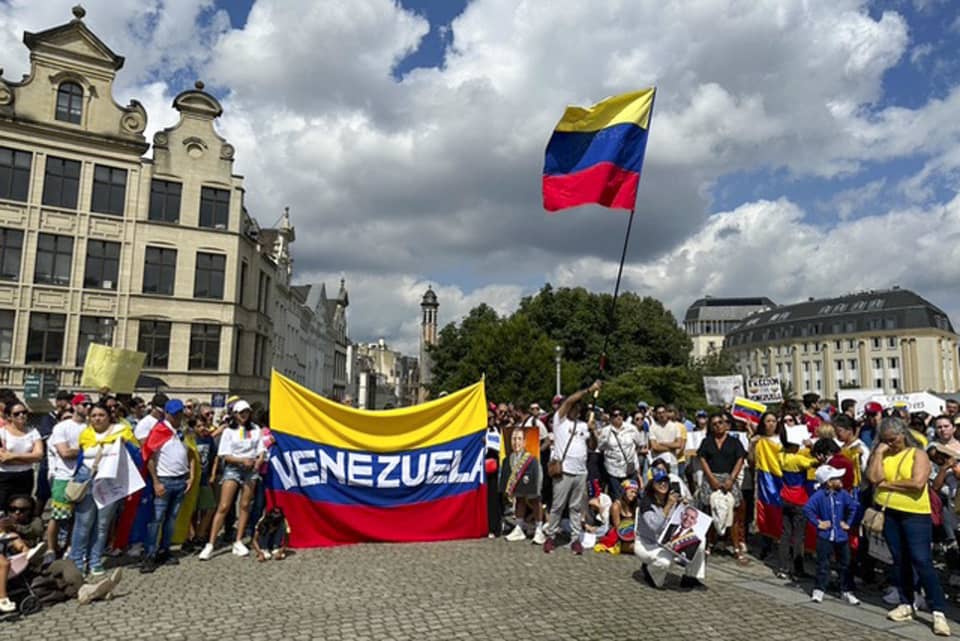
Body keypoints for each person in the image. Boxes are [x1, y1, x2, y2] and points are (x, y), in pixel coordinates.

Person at [868, 417, 950, 636]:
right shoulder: (884, 454)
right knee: (899, 559)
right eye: (885, 440)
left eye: (893, 439)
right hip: (890, 511)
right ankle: (906, 601)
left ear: (903, 434)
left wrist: (888, 484)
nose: (890, 444)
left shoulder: (917, 454)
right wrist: (878, 453)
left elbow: (917, 483)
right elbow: (874, 478)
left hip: (915, 513)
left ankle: (938, 610)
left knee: (921, 560)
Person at [69, 402, 139, 577]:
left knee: (102, 524)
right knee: (84, 522)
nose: (97, 419)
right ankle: (77, 560)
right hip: (87, 478)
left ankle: (95, 560)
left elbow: (135, 454)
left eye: (101, 415)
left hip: (109, 482)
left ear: (109, 417)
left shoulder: (122, 431)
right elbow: (81, 456)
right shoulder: (86, 434)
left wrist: (126, 444)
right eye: (93, 416)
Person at [199, 400, 266, 560]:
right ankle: (210, 544)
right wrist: (242, 460)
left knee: (244, 505)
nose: (244, 415)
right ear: (235, 414)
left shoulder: (255, 429)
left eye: (246, 412)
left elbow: (261, 449)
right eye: (241, 412)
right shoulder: (229, 431)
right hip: (234, 468)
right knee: (224, 506)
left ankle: (238, 540)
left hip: (250, 470)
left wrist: (259, 460)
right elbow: (225, 455)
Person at [542, 381, 600, 555]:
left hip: (580, 471)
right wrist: (589, 390)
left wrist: (593, 431)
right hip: (564, 470)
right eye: (575, 406)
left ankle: (575, 539)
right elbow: (568, 401)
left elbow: (592, 445)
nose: (576, 409)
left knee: (575, 507)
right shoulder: (559, 421)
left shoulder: (583, 425)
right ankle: (551, 536)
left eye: (578, 407)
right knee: (558, 506)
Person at [140, 400, 196, 573]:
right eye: (175, 414)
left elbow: (190, 454)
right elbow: (149, 456)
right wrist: (156, 481)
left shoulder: (182, 432)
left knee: (171, 519)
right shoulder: (159, 430)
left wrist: (190, 476)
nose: (178, 417)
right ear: (167, 414)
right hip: (164, 479)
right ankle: (150, 554)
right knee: (156, 519)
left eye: (180, 414)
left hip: (181, 479)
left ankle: (165, 549)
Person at [634, 468, 705, 589]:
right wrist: (668, 505)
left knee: (700, 540)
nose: (663, 484)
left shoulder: (673, 498)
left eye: (665, 481)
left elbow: (688, 520)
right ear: (652, 484)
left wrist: (686, 506)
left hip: (668, 541)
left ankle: (690, 577)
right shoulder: (646, 503)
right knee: (665, 562)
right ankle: (649, 571)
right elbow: (655, 526)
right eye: (659, 481)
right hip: (648, 543)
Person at [804, 465, 860, 605]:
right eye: (837, 478)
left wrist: (848, 523)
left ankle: (846, 590)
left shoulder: (843, 494)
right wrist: (818, 523)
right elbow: (808, 509)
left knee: (845, 564)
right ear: (828, 482)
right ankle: (819, 589)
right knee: (823, 563)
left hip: (841, 536)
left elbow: (853, 507)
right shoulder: (819, 495)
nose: (841, 480)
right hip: (825, 536)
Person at [697, 412, 748, 564]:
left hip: (729, 478)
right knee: (710, 511)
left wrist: (731, 479)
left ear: (726, 425)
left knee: (733, 512)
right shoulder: (707, 442)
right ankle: (709, 544)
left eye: (720, 423)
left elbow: (740, 459)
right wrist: (711, 479)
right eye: (714, 424)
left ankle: (736, 546)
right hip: (711, 478)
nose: (718, 426)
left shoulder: (734, 442)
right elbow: (703, 459)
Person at [45, 395, 87, 562]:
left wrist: (77, 451)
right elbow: (65, 453)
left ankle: (70, 547)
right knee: (58, 515)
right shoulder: (62, 427)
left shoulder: (90, 428)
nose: (87, 407)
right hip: (63, 476)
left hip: (82, 476)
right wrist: (85, 451)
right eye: (84, 404)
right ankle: (50, 549)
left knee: (76, 517)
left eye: (89, 405)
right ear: (75, 406)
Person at [501, 428, 543, 543]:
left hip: (531, 481)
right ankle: (519, 527)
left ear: (524, 442)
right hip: (519, 486)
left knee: (535, 500)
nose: (516, 442)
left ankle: (539, 529)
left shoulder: (532, 458)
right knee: (519, 500)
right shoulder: (508, 459)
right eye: (514, 439)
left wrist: (538, 485)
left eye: (519, 439)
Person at [0, 401, 43, 510]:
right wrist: (29, 457)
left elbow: (39, 455)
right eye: (17, 414)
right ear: (9, 417)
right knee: (3, 510)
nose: (21, 415)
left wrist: (13, 456)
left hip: (26, 476)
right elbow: (3, 458)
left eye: (24, 412)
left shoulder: (33, 432)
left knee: (22, 509)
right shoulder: (2, 433)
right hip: (5, 477)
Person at [597, 408, 643, 499]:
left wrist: (632, 457)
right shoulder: (605, 431)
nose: (618, 417)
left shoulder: (631, 428)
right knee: (618, 497)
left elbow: (638, 444)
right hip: (613, 470)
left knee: (631, 496)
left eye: (620, 414)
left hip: (629, 469)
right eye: (615, 415)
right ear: (610, 418)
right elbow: (600, 448)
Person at [593, 479, 638, 555]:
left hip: (630, 535)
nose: (634, 495)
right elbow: (619, 529)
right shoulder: (616, 506)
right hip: (617, 537)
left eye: (636, 493)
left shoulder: (634, 506)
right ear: (624, 491)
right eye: (631, 492)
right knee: (636, 548)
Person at [649, 405, 684, 474]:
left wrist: (662, 443)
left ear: (666, 413)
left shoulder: (674, 426)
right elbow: (655, 447)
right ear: (656, 415)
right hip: (658, 463)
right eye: (659, 413)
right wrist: (672, 447)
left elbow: (679, 444)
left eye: (663, 412)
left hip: (672, 461)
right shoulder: (652, 427)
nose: (662, 415)